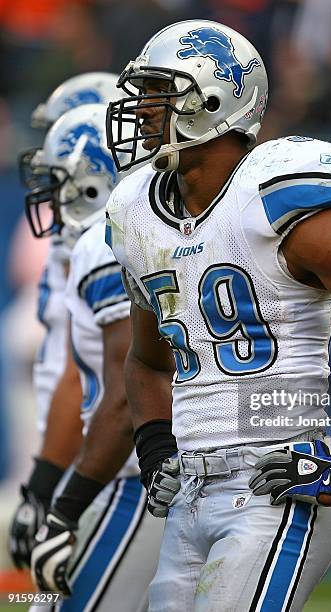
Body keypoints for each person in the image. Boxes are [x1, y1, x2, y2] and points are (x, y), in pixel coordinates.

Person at [105, 20, 331, 611]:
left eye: (161, 95)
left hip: (275, 484)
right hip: (190, 494)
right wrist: (157, 445)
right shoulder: (137, 214)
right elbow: (147, 361)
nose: (142, 113)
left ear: (210, 100)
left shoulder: (276, 196)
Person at [16, 104, 176, 611]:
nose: (50, 197)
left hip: (130, 479)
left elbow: (128, 392)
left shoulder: (105, 245)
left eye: (61, 180)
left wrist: (61, 505)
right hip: (135, 471)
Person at [8, 71, 121, 571]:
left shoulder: (111, 241)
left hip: (110, 460)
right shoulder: (77, 231)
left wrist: (47, 487)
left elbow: (88, 374)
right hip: (82, 441)